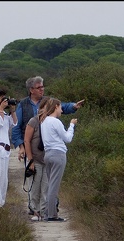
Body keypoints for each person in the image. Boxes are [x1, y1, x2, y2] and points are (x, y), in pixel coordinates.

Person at [11, 76, 84, 214]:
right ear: (31, 90)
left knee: (48, 182)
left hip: (48, 151)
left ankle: (48, 209)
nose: (42, 89)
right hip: (32, 150)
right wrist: (20, 146)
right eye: (39, 87)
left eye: (43, 86)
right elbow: (17, 127)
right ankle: (34, 209)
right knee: (34, 181)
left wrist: (73, 106)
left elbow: (61, 106)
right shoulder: (23, 105)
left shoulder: (49, 102)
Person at [41, 98, 78, 222]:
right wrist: (72, 125)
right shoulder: (55, 122)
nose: (62, 109)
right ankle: (51, 215)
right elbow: (67, 138)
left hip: (48, 154)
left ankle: (48, 212)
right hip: (58, 154)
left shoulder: (43, 121)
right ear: (56, 106)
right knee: (54, 186)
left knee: (51, 184)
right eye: (60, 107)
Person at [24, 98, 50, 221]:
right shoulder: (33, 121)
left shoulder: (52, 122)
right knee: (35, 186)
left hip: (48, 160)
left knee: (46, 187)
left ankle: (44, 211)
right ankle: (35, 211)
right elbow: (27, 140)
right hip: (36, 159)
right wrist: (30, 160)